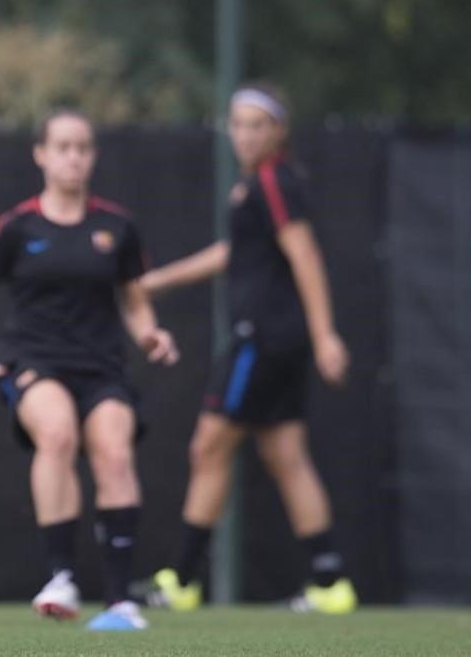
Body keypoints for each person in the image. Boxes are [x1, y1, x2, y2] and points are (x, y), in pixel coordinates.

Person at [0, 109, 180, 631]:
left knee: (115, 456)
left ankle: (121, 601)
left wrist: (151, 332)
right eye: (62, 147)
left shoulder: (116, 227)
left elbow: (137, 300)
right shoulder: (15, 227)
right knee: (56, 435)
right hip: (35, 362)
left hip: (103, 368)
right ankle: (62, 578)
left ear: (93, 156)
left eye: (82, 147)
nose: (73, 157)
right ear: (41, 154)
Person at [138, 82, 358, 614]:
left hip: (260, 340)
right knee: (286, 455)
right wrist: (159, 281)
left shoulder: (273, 182)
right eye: (237, 123)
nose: (245, 134)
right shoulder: (256, 186)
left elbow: (305, 257)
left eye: (257, 124)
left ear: (278, 131)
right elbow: (231, 253)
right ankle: (331, 585)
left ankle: (183, 581)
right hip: (278, 342)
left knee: (209, 446)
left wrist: (326, 333)